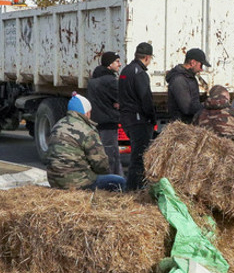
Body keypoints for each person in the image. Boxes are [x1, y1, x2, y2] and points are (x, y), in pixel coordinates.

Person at [46, 93, 126, 191]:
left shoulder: (57, 125)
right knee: (120, 181)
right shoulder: (87, 130)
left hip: (54, 181)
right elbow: (100, 164)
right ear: (86, 112)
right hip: (77, 183)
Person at [118, 42, 156, 191]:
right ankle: (134, 189)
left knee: (136, 154)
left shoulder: (125, 71)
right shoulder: (140, 74)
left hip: (127, 118)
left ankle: (132, 187)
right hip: (139, 120)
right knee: (139, 157)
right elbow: (146, 99)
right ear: (147, 57)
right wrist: (152, 118)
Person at [87, 51, 123, 176]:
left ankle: (104, 177)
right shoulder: (111, 81)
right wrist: (117, 104)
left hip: (96, 121)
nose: (120, 64)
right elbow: (121, 99)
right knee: (112, 154)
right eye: (117, 61)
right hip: (109, 122)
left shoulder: (93, 80)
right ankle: (114, 181)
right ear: (109, 65)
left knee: (99, 153)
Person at [166, 48, 210, 123]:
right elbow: (187, 108)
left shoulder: (190, 77)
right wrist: (208, 105)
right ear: (192, 62)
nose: (201, 69)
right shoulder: (179, 80)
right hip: (182, 126)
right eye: (201, 65)